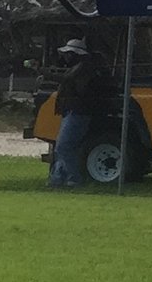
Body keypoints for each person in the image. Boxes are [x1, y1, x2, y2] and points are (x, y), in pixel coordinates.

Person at [49, 36, 115, 189]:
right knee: (63, 146)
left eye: (69, 53)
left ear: (75, 54)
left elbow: (66, 79)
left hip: (78, 113)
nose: (66, 56)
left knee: (63, 147)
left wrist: (44, 72)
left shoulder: (84, 67)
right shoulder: (80, 66)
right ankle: (58, 178)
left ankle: (74, 177)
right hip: (73, 112)